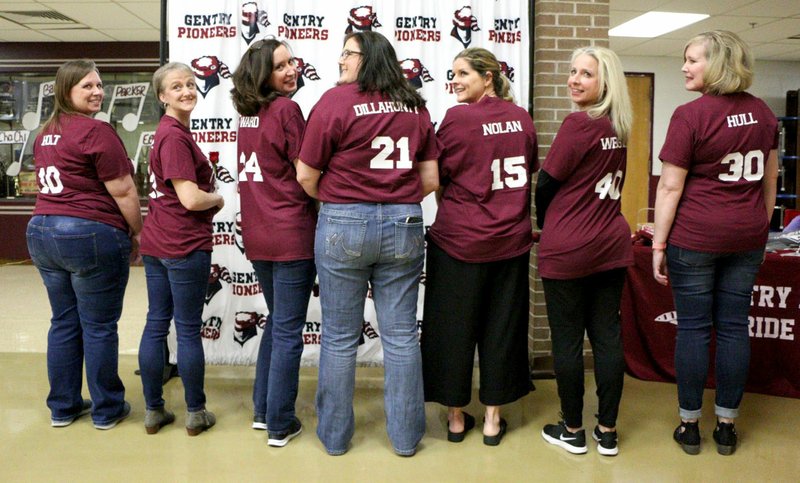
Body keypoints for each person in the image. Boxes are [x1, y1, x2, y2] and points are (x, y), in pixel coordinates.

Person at [295, 31, 439, 456]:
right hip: (404, 220)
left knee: (339, 337)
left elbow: (306, 175)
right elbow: (430, 179)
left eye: (347, 53)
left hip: (344, 219)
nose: (340, 60)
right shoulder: (415, 103)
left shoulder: (335, 102)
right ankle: (406, 438)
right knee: (400, 336)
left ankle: (336, 439)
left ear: (369, 57)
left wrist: (344, 204)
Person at [652, 30, 778, 456]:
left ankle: (690, 426)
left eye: (693, 60)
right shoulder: (762, 113)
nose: (684, 67)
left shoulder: (691, 115)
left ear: (719, 63)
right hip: (747, 237)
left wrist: (658, 245)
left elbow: (669, 189)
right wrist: (758, 225)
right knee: (732, 327)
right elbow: (770, 178)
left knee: (692, 329)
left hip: (696, 239)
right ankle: (727, 425)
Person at [420, 48, 537, 446]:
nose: (453, 80)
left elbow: (437, 176)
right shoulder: (522, 118)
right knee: (501, 329)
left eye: (463, 73)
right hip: (510, 244)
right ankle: (492, 420)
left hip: (459, 243)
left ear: (489, 77)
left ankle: (455, 419)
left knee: (452, 330)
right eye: (451, 73)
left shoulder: (457, 118)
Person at [26, 60, 142, 430]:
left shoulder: (45, 133)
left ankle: (63, 407)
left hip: (42, 231)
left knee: (63, 321)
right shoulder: (96, 131)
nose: (97, 92)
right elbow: (123, 190)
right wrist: (138, 232)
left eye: (99, 85)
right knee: (99, 325)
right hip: (88, 233)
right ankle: (107, 409)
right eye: (87, 86)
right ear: (66, 92)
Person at [536, 46, 633, 456]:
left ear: (605, 82)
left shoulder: (579, 124)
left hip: (570, 249)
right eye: (573, 72)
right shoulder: (619, 126)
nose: (574, 79)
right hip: (611, 244)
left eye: (586, 74)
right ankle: (607, 432)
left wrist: (547, 223)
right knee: (607, 337)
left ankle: (573, 429)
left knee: (568, 341)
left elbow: (546, 184)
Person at [230, 38, 316, 447]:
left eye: (291, 62)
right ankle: (281, 423)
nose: (290, 70)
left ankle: (264, 412)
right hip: (291, 234)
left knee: (277, 321)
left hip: (259, 234)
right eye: (279, 66)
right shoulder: (286, 108)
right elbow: (306, 173)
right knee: (287, 330)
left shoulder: (248, 113)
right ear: (262, 74)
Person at [138, 62, 225, 436]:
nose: (187, 91)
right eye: (176, 87)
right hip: (182, 244)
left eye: (190, 84)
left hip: (158, 241)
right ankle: (195, 411)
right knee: (187, 330)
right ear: (162, 97)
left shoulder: (168, 133)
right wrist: (217, 198)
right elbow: (190, 199)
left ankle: (154, 411)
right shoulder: (174, 136)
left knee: (157, 322)